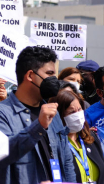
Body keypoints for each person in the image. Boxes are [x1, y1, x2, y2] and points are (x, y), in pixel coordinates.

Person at [0, 46, 76, 183]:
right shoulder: (3, 113)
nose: (55, 79)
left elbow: (66, 161)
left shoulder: (53, 112)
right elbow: (4, 154)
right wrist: (38, 126)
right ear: (30, 75)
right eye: (50, 73)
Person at [50, 83, 104, 184]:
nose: (78, 115)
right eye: (71, 112)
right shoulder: (55, 144)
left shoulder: (91, 137)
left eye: (79, 110)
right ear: (59, 116)